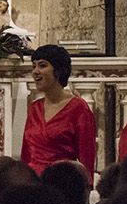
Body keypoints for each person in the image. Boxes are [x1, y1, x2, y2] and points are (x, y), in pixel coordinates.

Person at [20, 44, 97, 180]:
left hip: (61, 183)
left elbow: (87, 157)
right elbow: (26, 155)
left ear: (59, 70)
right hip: (32, 183)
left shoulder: (78, 108)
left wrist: (85, 191)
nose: (35, 71)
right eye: (34, 66)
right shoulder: (35, 108)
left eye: (42, 65)